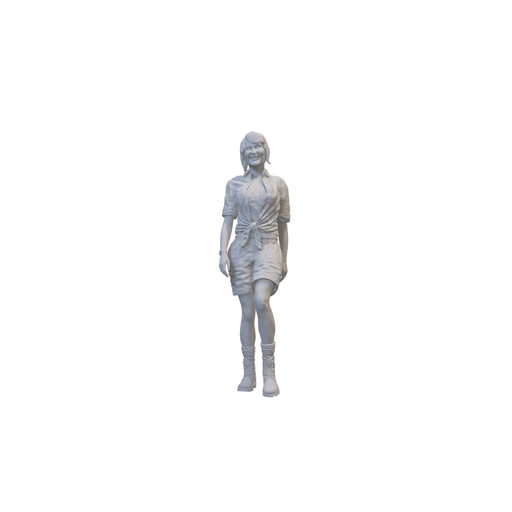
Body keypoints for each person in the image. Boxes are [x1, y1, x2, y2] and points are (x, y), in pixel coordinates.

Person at [219, 131, 290, 397]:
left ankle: (269, 372)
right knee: (247, 311)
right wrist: (222, 252)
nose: (253, 152)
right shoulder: (233, 184)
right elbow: (228, 220)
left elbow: (283, 226)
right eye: (248, 148)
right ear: (243, 153)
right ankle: (249, 372)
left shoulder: (279, 184)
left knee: (262, 300)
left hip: (269, 245)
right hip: (241, 248)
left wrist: (285, 258)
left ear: (266, 150)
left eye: (258, 146)